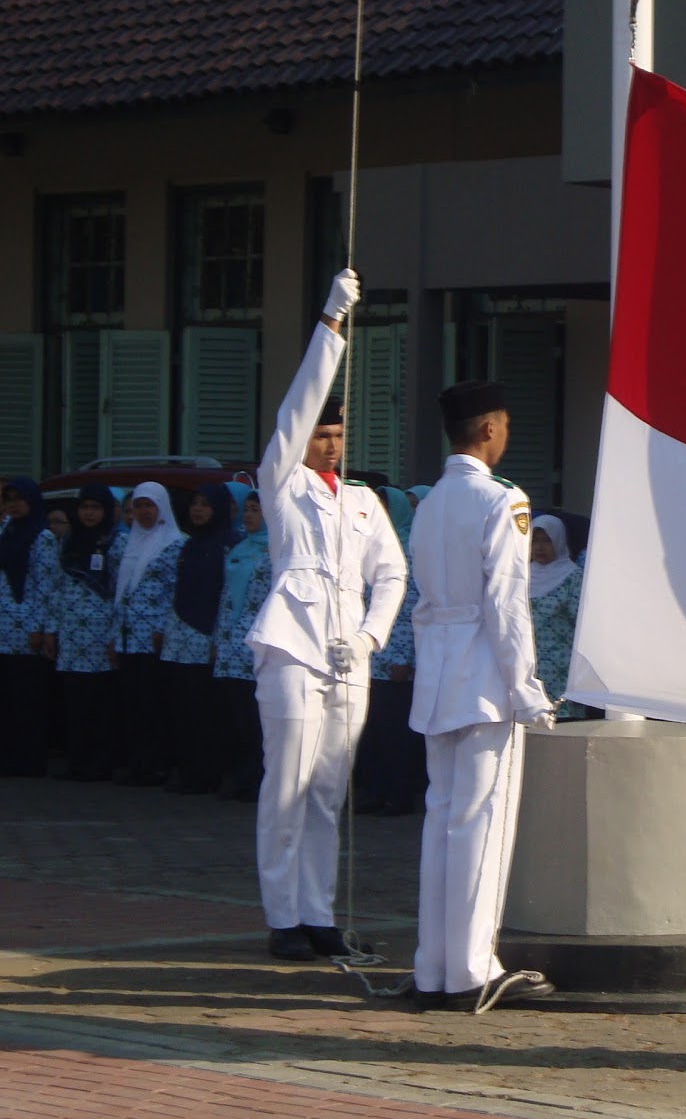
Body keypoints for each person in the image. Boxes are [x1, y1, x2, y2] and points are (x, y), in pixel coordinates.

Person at [246, 269, 408, 962]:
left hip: (348, 655)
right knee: (286, 784)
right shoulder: (283, 486)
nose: (331, 445)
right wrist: (332, 324)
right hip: (292, 645)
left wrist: (371, 636)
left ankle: (317, 913)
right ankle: (282, 916)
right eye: (321, 435)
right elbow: (296, 408)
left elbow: (393, 573)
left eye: (338, 435)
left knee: (327, 792)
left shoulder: (363, 501)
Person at [408, 379, 556, 1013]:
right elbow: (506, 604)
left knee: (442, 823)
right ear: (490, 428)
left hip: (439, 673)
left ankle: (434, 967)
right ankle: (471, 969)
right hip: (484, 678)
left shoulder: (430, 502)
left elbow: (425, 599)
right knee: (481, 825)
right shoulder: (503, 499)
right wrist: (526, 688)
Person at [44, 484, 127, 781]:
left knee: (100, 703)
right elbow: (56, 587)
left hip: (100, 636)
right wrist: (51, 630)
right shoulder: (69, 541)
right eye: (84, 507)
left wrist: (116, 635)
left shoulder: (116, 543)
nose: (89, 514)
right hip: (71, 635)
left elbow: (121, 592)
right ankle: (77, 762)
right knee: (75, 703)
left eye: (96, 508)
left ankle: (99, 763)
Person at [163, 483, 239, 794]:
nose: (197, 510)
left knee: (206, 710)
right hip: (180, 635)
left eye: (205, 504)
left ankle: (209, 773)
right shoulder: (190, 543)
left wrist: (217, 638)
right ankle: (188, 770)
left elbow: (226, 594)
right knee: (183, 707)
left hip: (208, 636)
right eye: (195, 503)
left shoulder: (229, 544)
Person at [110, 482, 186, 786]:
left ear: (161, 508)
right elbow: (120, 592)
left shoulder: (174, 543)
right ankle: (136, 764)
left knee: (153, 703)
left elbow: (174, 591)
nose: (143, 512)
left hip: (154, 637)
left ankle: (156, 764)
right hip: (127, 636)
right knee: (131, 703)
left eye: (149, 506)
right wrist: (114, 635)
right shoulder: (128, 542)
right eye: (138, 506)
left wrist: (162, 628)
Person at [356, 486, 425, 816]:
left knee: (395, 729)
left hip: (395, 655)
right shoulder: (368, 544)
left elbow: (412, 608)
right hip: (368, 652)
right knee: (372, 729)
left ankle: (398, 795)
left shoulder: (410, 549)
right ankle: (375, 791)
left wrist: (404, 657)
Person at [213, 490, 273, 802]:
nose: (249, 515)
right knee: (236, 717)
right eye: (247, 509)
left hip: (257, 645)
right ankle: (240, 776)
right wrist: (218, 639)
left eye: (256, 510)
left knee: (255, 718)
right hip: (230, 644)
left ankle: (256, 779)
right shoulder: (239, 546)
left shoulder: (277, 551)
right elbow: (226, 596)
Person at [0, 478, 58, 777]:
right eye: (9, 498)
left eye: (19, 498)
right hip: (3, 627)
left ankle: (29, 759)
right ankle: (8, 757)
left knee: (28, 698)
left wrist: (41, 628)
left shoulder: (42, 537)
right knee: (7, 698)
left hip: (26, 629)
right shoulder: (6, 531)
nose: (14, 504)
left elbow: (46, 586)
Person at [527, 514, 585, 720]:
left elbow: (581, 624)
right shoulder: (521, 576)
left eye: (546, 540)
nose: (539, 547)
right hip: (528, 666)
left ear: (558, 541)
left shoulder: (572, 577)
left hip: (561, 669)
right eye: (534, 540)